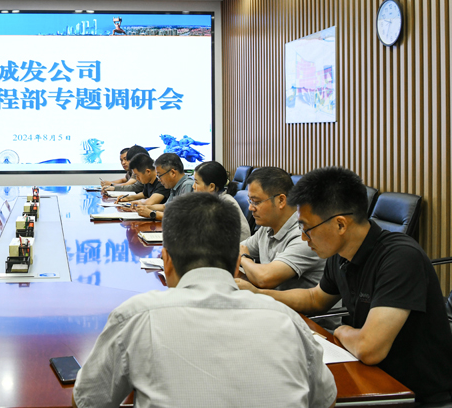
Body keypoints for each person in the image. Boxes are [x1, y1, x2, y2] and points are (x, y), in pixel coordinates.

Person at [72, 192, 337, 408]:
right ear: (237, 265)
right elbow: (325, 400)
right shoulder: (287, 320)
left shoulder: (136, 316)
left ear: (166, 261)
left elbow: (87, 402)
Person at [236, 167, 452, 404]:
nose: (304, 238)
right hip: (367, 374)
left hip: (415, 394)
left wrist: (340, 331)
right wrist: (259, 294)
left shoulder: (400, 258)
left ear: (340, 224)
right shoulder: (340, 254)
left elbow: (369, 348)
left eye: (307, 228)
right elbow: (315, 298)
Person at [240, 167, 324, 290]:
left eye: (256, 202)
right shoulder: (267, 227)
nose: (251, 208)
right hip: (270, 299)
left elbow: (264, 278)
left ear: (281, 200)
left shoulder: (306, 235)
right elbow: (236, 251)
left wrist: (244, 258)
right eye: (250, 201)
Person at [192, 160, 250, 241]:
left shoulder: (224, 205)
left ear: (211, 187)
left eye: (196, 183)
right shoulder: (211, 200)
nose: (193, 186)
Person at [131, 153, 193, 221]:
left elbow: (182, 218)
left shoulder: (187, 185)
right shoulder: (174, 186)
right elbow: (165, 207)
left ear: (172, 173)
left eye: (159, 175)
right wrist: (144, 207)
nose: (159, 179)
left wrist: (152, 214)